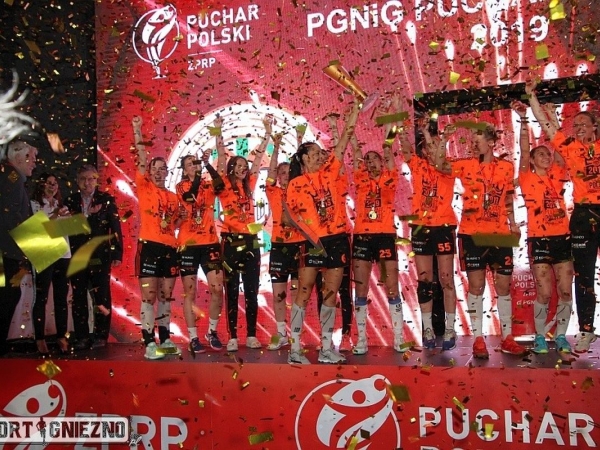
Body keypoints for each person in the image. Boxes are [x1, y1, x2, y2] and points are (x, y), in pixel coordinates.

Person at [434, 121, 527, 358]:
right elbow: (439, 165)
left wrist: (513, 222)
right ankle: (478, 339)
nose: (474, 145)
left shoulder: (506, 167)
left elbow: (507, 197)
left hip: (501, 234)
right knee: (476, 286)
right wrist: (444, 139)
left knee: (503, 286)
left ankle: (507, 338)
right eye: (472, 142)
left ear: (491, 142)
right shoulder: (465, 164)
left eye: (478, 141)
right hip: (472, 233)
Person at [526, 80, 599, 352]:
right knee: (584, 275)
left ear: (594, 127)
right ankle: (586, 330)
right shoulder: (570, 147)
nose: (578, 128)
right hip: (583, 214)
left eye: (583, 124)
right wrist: (531, 98)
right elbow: (547, 125)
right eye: (575, 125)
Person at [285, 100, 360, 365]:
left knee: (330, 293)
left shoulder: (330, 173)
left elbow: (344, 140)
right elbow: (290, 217)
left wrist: (355, 111)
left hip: (337, 239)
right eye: (315, 153)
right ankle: (295, 349)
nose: (320, 156)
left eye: (320, 153)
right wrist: (311, 236)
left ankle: (326, 348)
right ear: (304, 158)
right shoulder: (295, 184)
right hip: (313, 242)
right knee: (304, 292)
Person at [512, 99, 573, 354]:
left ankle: (561, 336)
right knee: (545, 292)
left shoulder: (557, 174)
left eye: (547, 154)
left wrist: (552, 117)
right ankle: (539, 336)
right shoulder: (526, 177)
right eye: (541, 154)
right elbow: (524, 149)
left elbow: (560, 146)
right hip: (538, 239)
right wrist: (523, 119)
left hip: (563, 237)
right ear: (533, 160)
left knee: (565, 290)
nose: (546, 157)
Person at [350, 119, 408, 355]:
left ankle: (399, 337)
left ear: (382, 163)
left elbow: (388, 149)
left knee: (392, 286)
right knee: (361, 289)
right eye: (367, 160)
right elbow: (355, 150)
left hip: (384, 236)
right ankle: (361, 340)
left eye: (375, 159)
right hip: (362, 237)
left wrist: (389, 128)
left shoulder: (390, 177)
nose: (370, 161)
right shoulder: (360, 178)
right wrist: (349, 128)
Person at [402, 118, 459, 351]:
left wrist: (431, 135)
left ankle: (450, 328)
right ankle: (427, 329)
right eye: (429, 145)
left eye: (438, 144)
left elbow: (439, 160)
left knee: (446, 278)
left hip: (443, 226)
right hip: (420, 227)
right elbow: (405, 148)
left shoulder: (449, 166)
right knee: (425, 279)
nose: (434, 148)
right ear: (424, 150)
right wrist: (398, 121)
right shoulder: (417, 165)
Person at [217, 115, 272, 352]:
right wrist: (218, 132)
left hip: (251, 241)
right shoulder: (223, 186)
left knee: (251, 289)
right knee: (231, 290)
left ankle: (250, 334)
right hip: (230, 241)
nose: (242, 168)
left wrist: (267, 133)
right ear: (231, 168)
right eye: (238, 165)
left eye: (244, 166)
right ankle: (232, 336)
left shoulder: (250, 184)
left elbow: (258, 159)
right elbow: (221, 158)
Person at [132, 116, 183, 359]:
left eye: (163, 169)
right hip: (149, 246)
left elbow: (174, 224)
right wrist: (137, 129)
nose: (160, 172)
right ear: (149, 172)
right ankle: (149, 343)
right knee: (149, 295)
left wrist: (183, 218)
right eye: (156, 168)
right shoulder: (144, 186)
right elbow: (141, 157)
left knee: (165, 295)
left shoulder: (173, 197)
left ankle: (165, 338)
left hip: (169, 248)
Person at [176, 125, 226, 354]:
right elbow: (190, 197)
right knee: (190, 291)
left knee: (217, 288)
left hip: (210, 242)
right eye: (190, 164)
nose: (194, 166)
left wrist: (207, 164)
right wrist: (198, 175)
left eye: (195, 163)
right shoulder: (181, 186)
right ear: (184, 169)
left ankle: (212, 331)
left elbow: (220, 185)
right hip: (188, 244)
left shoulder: (207, 182)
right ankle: (193, 337)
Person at [65, 164, 123, 350]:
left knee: (101, 295)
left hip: (100, 255)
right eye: (83, 179)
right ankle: (82, 336)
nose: (87, 182)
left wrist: (117, 252)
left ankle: (100, 335)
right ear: (77, 181)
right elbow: (65, 227)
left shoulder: (106, 199)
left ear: (97, 180)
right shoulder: (70, 201)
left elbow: (115, 227)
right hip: (77, 255)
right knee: (79, 296)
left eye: (91, 179)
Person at [265, 129, 303, 351]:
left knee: (298, 292)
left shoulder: (300, 190)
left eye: (289, 172)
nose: (285, 175)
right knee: (279, 293)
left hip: (299, 246)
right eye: (282, 173)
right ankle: (281, 334)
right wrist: (276, 145)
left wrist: (299, 140)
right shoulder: (273, 192)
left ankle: (296, 335)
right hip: (279, 246)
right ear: (277, 177)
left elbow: (301, 168)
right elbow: (271, 170)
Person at [0, 140, 37, 355]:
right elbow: (11, 217)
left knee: (10, 294)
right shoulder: (12, 177)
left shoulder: (11, 176)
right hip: (6, 251)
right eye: (31, 158)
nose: (34, 162)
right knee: (7, 296)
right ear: (18, 157)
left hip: (8, 250)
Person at [30, 173, 71, 355]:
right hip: (44, 253)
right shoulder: (34, 204)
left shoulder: (61, 206)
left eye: (55, 183)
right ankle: (40, 339)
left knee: (61, 297)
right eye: (48, 183)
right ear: (41, 185)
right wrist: (56, 215)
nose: (52, 186)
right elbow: (41, 228)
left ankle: (61, 336)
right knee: (42, 297)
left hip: (63, 254)